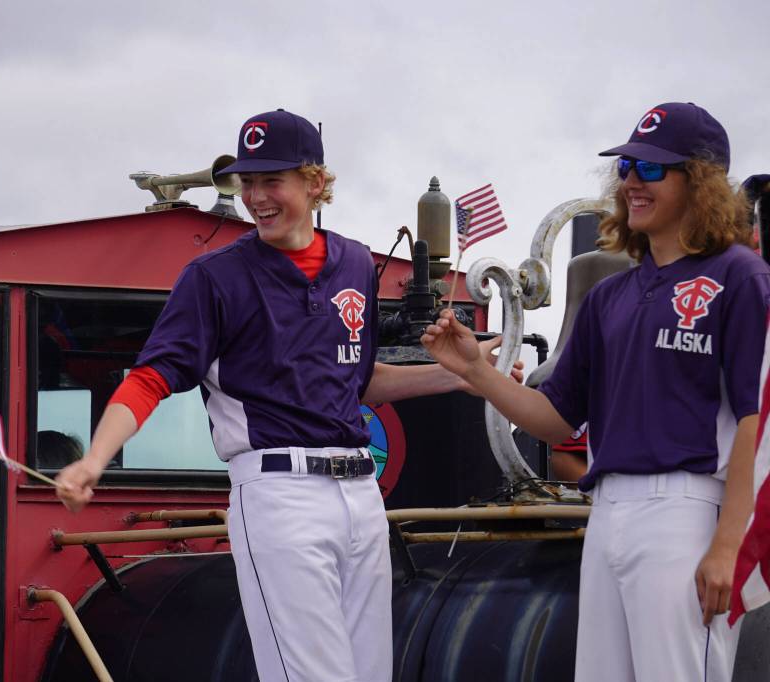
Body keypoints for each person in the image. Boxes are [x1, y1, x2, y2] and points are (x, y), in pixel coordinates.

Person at [57, 108, 520, 682]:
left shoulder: (353, 261)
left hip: (361, 499)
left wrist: (468, 375)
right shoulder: (212, 277)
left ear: (315, 182)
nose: (256, 196)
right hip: (280, 495)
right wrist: (96, 458)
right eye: (247, 182)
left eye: (270, 180)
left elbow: (358, 381)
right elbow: (150, 378)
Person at [424, 102, 770, 681]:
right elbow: (558, 419)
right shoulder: (610, 297)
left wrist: (729, 542)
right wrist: (476, 373)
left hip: (685, 512)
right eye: (628, 166)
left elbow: (756, 419)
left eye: (653, 169)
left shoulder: (741, 276)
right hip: (607, 513)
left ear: (702, 182)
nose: (632, 180)